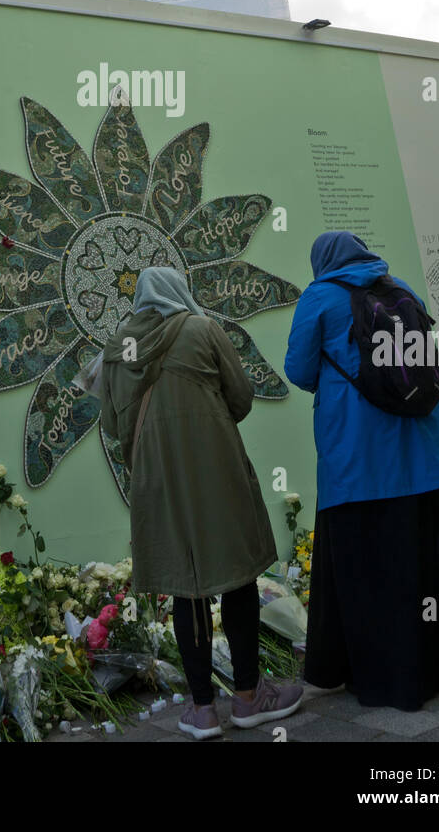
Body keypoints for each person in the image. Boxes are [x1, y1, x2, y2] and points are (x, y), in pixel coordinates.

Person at [101, 265, 304, 739]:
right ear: (178, 291)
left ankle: (201, 709)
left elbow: (112, 426)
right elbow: (241, 397)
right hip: (216, 466)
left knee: (184, 583)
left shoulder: (117, 348)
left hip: (158, 478)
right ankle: (251, 698)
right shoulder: (202, 329)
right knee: (237, 575)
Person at [284, 230, 439, 711]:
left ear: (322, 260)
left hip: (358, 459)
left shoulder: (319, 297)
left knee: (367, 570)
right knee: (419, 566)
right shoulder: (404, 290)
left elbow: (299, 372)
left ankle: (385, 679)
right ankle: (438, 670)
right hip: (420, 456)